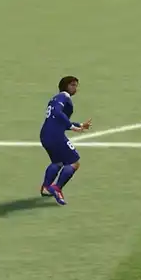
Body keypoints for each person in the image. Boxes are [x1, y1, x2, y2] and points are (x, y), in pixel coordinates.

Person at [38, 76, 91, 206]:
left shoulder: (55, 99)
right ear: (65, 86)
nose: (75, 88)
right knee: (74, 162)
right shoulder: (64, 97)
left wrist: (79, 125)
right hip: (55, 135)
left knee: (58, 162)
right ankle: (57, 188)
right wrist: (72, 127)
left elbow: (59, 120)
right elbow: (58, 113)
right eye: (72, 85)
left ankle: (46, 187)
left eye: (76, 85)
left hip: (46, 134)